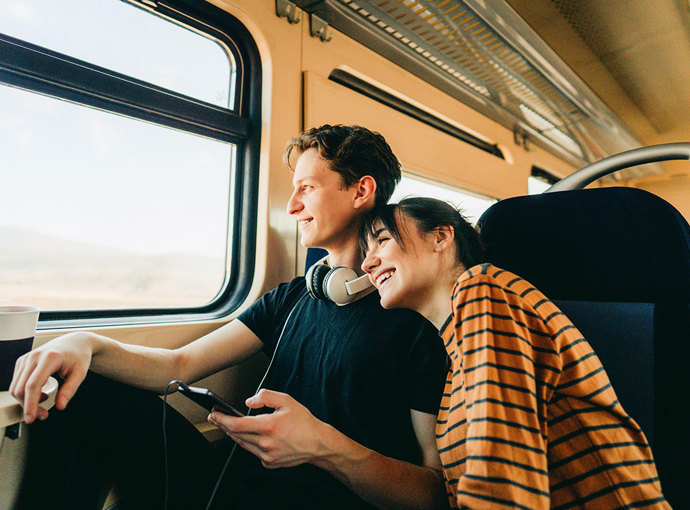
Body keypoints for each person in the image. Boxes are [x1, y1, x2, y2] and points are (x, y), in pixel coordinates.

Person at [10, 126, 449, 510]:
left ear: (360, 191)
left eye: (307, 188)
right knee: (84, 386)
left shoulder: (414, 320)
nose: (292, 205)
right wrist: (85, 342)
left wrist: (322, 446)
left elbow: (436, 493)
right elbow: (178, 366)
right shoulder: (293, 297)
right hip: (233, 491)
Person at [360, 197, 669, 509]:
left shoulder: (482, 291)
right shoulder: (455, 355)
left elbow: (502, 473)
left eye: (382, 240)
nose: (367, 264)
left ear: (441, 237)